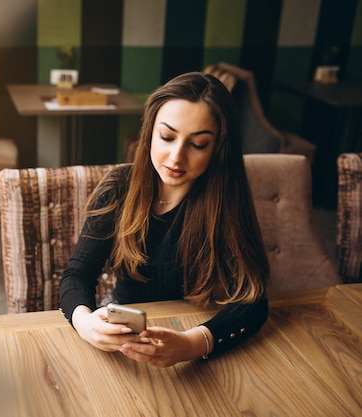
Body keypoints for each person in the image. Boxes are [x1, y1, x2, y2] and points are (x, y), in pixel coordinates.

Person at [59, 71, 270, 367]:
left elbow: (253, 301)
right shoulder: (118, 188)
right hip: (124, 333)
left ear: (218, 148)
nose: (175, 157)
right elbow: (77, 275)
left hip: (198, 327)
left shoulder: (224, 201)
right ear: (149, 132)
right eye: (167, 137)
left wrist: (193, 343)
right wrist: (85, 323)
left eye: (197, 144)